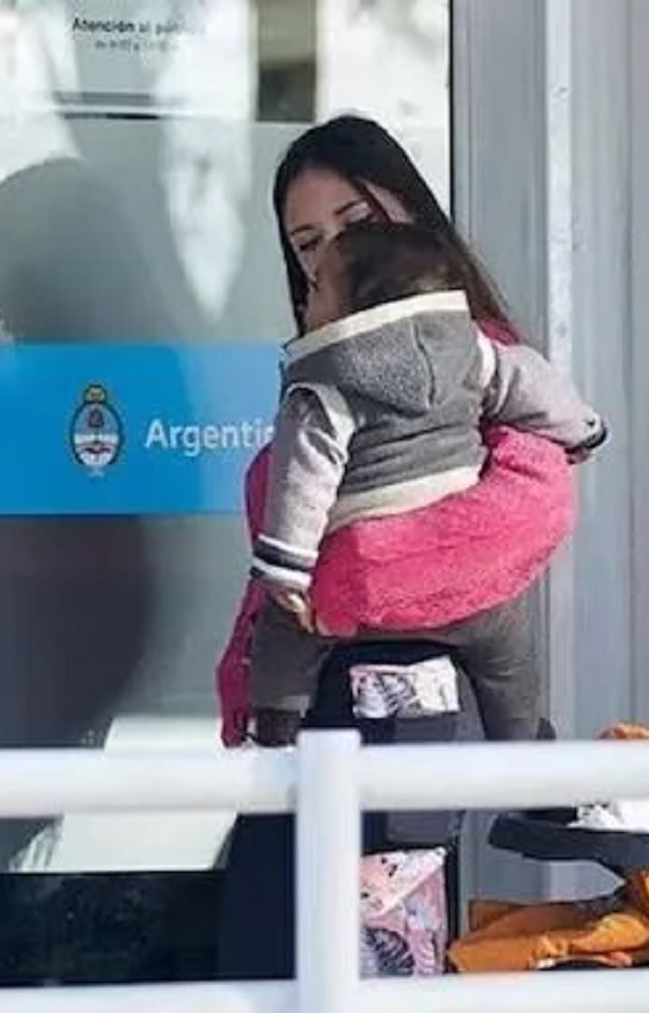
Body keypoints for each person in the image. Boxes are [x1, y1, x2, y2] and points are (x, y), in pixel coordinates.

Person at [214, 114, 585, 748]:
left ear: (412, 217)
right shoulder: (322, 380)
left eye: (357, 222)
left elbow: (529, 510)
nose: (336, 253)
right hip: (319, 710)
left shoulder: (478, 362)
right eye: (308, 244)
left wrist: (332, 583)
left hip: (423, 711)